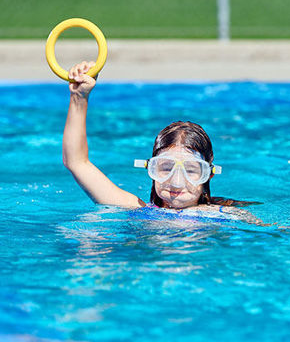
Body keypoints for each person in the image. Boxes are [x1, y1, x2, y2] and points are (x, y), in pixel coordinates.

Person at [63, 61, 271, 225]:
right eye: (165, 167)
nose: (176, 180)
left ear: (207, 174)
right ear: (150, 169)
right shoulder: (136, 210)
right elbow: (77, 162)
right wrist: (78, 98)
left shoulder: (226, 216)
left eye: (191, 170)